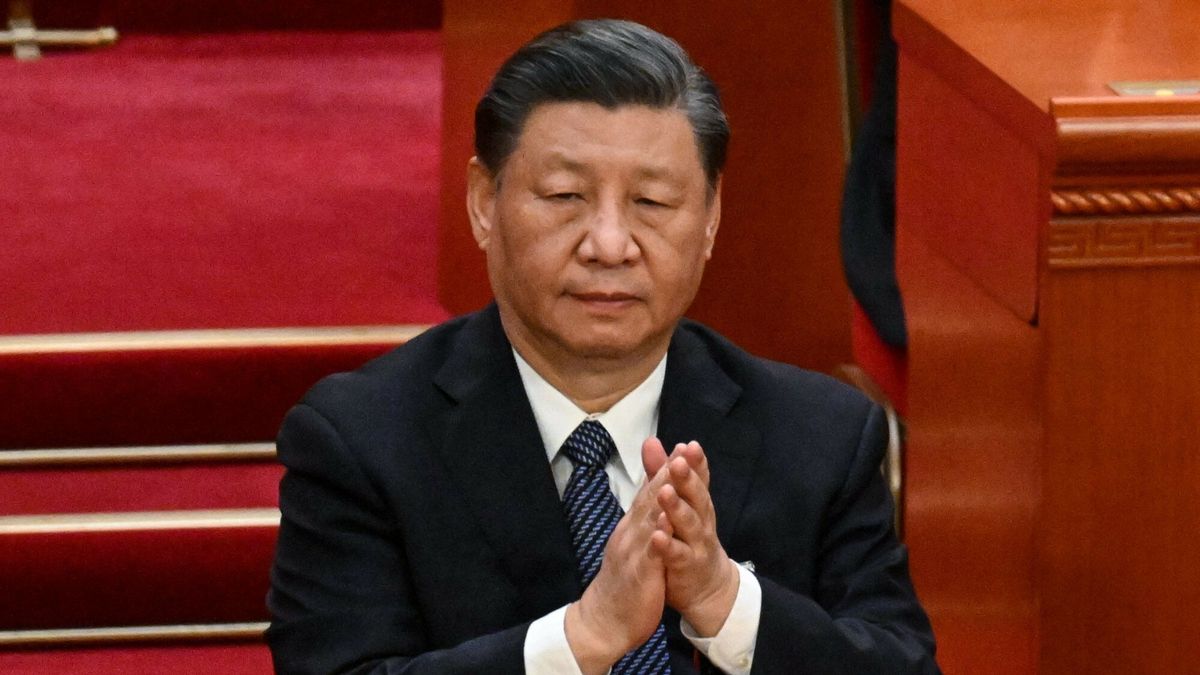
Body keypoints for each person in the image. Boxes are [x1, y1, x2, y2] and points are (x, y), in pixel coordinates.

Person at [267, 18, 938, 675]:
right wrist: (582, 638)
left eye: (651, 201)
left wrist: (724, 602)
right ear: (482, 202)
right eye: (565, 196)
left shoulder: (822, 436)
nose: (609, 244)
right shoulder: (360, 441)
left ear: (710, 218)